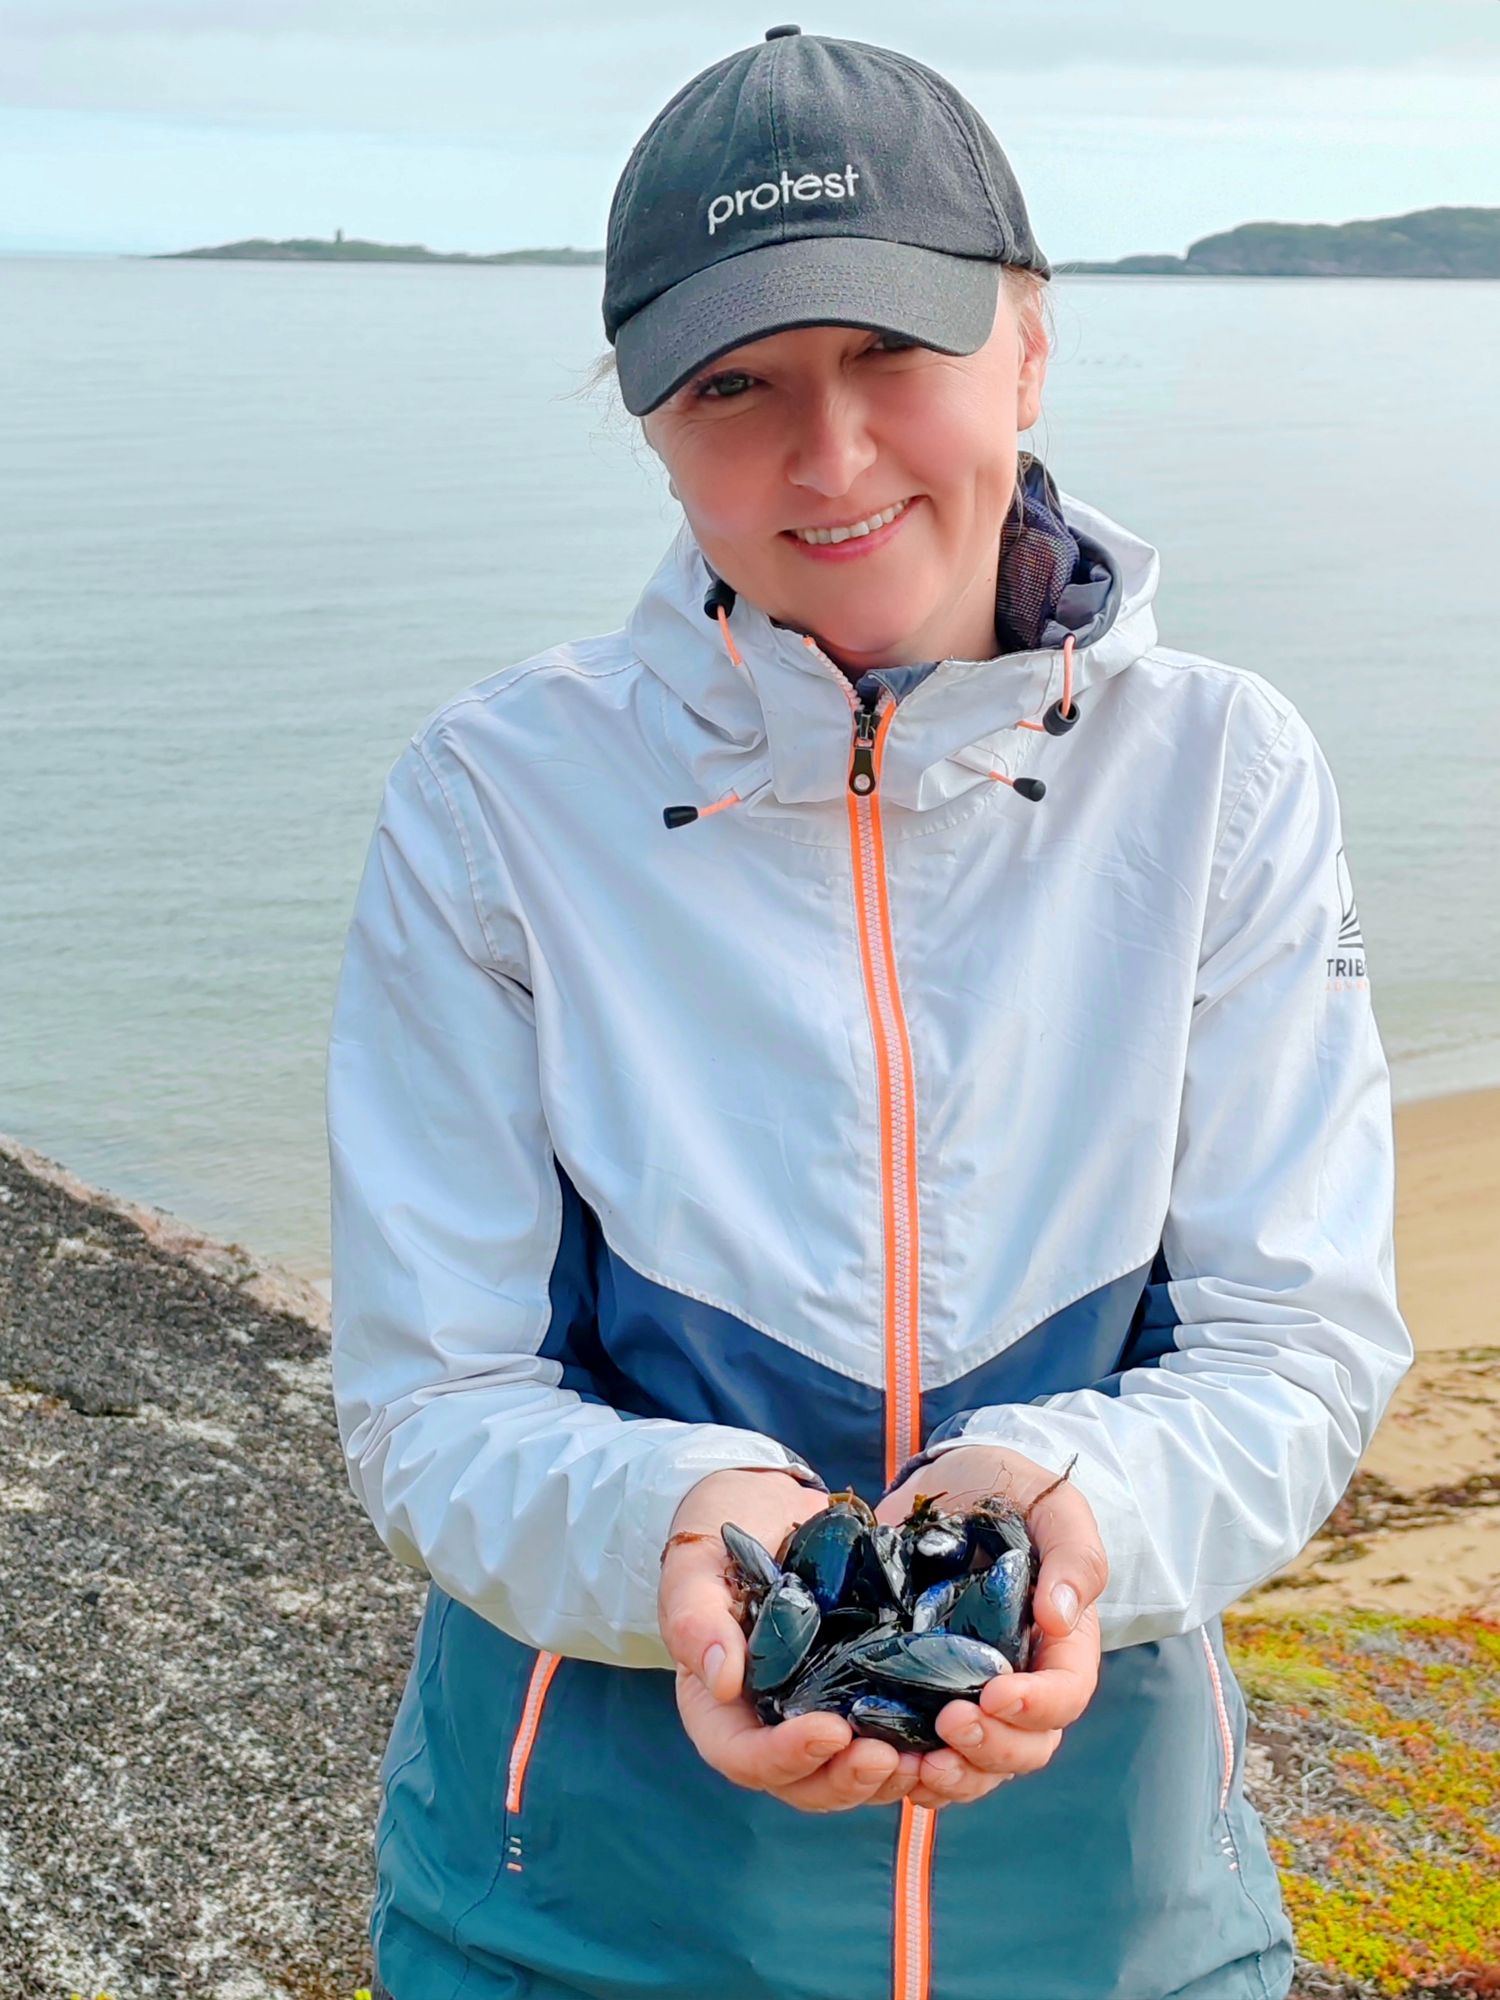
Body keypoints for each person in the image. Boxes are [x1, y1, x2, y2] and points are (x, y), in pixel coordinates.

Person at [327, 26, 1413, 2000]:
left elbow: (1297, 1342)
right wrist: (687, 1527)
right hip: (570, 1926)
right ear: (653, 423)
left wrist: (1072, 1505)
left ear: (1029, 342)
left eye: (890, 351)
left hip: (1117, 1933)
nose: (828, 459)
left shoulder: (1224, 775)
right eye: (734, 385)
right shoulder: (495, 802)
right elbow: (432, 1399)